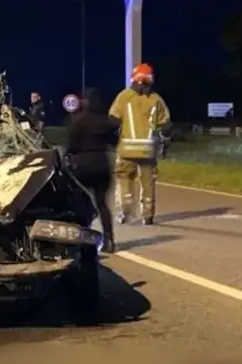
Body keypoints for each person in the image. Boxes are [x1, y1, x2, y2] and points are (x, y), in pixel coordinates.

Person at [108, 63, 171, 226]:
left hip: (127, 150)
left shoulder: (124, 96)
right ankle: (148, 215)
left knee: (124, 180)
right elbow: (166, 124)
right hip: (148, 151)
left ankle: (124, 212)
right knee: (148, 183)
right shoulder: (156, 100)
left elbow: (113, 119)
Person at [67, 88, 117, 252]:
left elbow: (72, 146)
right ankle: (109, 241)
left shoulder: (79, 121)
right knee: (102, 203)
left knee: (78, 202)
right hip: (102, 163)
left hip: (83, 165)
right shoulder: (106, 122)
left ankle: (80, 241)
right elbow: (114, 140)